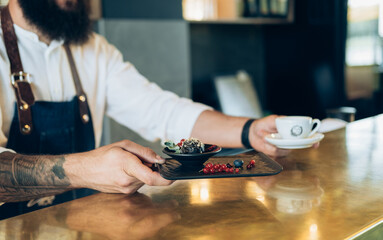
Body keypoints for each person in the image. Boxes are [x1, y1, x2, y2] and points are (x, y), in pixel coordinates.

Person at [0, 0, 289, 219]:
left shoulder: (93, 49)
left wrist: (249, 130)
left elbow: (162, 111)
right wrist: (85, 170)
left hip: (84, 224)